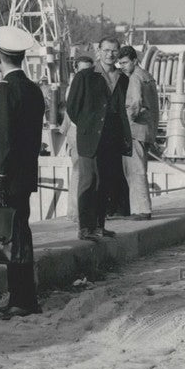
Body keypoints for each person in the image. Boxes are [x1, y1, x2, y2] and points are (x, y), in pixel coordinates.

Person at [0, 26, 47, 319]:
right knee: (22, 232)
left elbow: (1, 140)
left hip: (8, 178)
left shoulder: (4, 90)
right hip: (26, 175)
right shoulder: (33, 90)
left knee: (13, 239)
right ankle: (26, 296)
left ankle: (20, 299)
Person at [66, 36, 132, 241]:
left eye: (114, 51)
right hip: (89, 137)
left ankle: (99, 225)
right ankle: (85, 227)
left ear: (118, 52)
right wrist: (88, 125)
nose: (110, 54)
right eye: (106, 50)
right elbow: (72, 108)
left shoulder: (123, 78)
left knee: (105, 182)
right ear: (98, 51)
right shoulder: (85, 76)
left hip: (111, 138)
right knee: (88, 181)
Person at [117, 45, 159, 220]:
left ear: (134, 61)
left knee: (135, 170)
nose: (123, 66)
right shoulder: (147, 76)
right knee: (140, 168)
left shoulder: (134, 78)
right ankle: (141, 207)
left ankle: (142, 209)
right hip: (148, 129)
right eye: (120, 63)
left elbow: (134, 104)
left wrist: (123, 123)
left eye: (125, 63)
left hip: (135, 130)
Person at [62, 55, 94, 222]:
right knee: (78, 171)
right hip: (77, 132)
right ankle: (75, 211)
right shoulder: (75, 86)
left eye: (88, 70)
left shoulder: (87, 84)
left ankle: (82, 210)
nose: (85, 73)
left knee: (86, 173)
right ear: (76, 70)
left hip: (84, 133)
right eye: (82, 70)